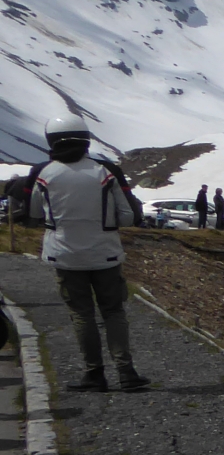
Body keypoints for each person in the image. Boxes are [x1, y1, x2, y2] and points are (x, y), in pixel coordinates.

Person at [29, 114, 149, 392]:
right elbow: (128, 216)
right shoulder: (103, 172)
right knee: (113, 311)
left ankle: (94, 374)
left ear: (51, 140)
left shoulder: (45, 174)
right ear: (85, 139)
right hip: (105, 253)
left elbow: (36, 212)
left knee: (81, 314)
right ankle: (126, 372)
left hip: (65, 255)